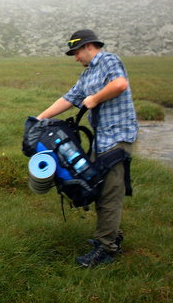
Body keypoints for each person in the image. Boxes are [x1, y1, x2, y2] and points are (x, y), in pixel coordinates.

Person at [36, 29, 138, 267]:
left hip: (117, 136)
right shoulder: (88, 74)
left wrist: (95, 98)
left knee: (109, 194)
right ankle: (111, 234)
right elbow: (69, 98)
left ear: (89, 47)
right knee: (100, 188)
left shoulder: (109, 60)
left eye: (76, 52)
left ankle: (106, 248)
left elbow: (120, 84)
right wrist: (40, 118)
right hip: (102, 139)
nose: (75, 58)